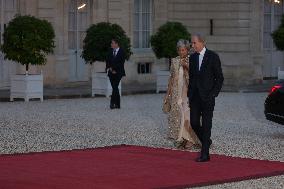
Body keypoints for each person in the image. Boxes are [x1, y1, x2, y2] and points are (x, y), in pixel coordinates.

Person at [188, 34, 224, 162]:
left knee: (207, 125)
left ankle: (205, 154)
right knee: (194, 123)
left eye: (194, 43)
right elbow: (192, 78)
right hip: (195, 97)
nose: (192, 46)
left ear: (202, 42)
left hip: (208, 97)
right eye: (191, 43)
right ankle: (206, 141)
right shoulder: (192, 58)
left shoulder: (213, 57)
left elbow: (219, 78)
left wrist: (213, 93)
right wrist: (189, 94)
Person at [164, 39, 200, 149]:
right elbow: (171, 78)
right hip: (176, 92)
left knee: (188, 115)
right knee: (177, 115)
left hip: (189, 92)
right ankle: (181, 138)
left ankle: (191, 139)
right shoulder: (174, 61)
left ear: (187, 50)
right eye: (179, 50)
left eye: (183, 50)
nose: (181, 52)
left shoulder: (192, 60)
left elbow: (196, 75)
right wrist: (167, 94)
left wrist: (186, 66)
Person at [106, 39, 126, 109]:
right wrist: (111, 69)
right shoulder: (110, 51)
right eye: (111, 43)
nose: (111, 44)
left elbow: (121, 63)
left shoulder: (122, 52)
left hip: (118, 72)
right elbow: (107, 61)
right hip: (111, 72)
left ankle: (112, 103)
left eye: (112, 43)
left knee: (114, 87)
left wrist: (115, 70)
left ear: (117, 44)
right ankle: (118, 104)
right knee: (115, 88)